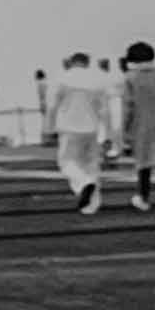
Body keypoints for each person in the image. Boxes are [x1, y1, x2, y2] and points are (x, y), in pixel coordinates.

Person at [48, 52, 109, 213]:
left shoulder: (62, 78)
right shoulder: (98, 80)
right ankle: (91, 206)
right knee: (91, 165)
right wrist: (106, 134)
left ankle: (83, 184)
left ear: (72, 62)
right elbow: (104, 110)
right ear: (87, 63)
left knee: (66, 162)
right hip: (92, 128)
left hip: (69, 128)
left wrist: (50, 127)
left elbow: (52, 105)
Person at [122, 42, 155, 211]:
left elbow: (128, 107)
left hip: (142, 126)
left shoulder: (130, 78)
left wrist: (124, 131)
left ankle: (143, 198)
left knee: (144, 165)